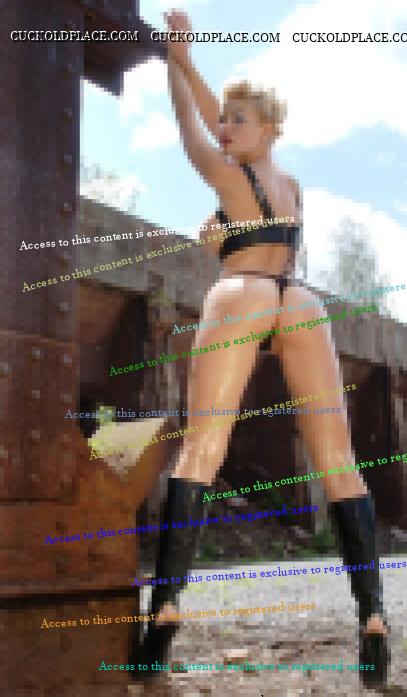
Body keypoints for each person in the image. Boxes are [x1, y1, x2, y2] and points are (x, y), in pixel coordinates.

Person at [129, 10, 388, 689]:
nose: (224, 130)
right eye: (226, 122)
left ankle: (165, 607)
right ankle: (372, 614)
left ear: (269, 127)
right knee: (339, 461)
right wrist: (222, 221)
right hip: (299, 300)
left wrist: (177, 63)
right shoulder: (290, 188)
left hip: (243, 292)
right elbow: (235, 152)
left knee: (201, 449)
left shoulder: (228, 178)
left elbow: (192, 129)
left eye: (238, 121)